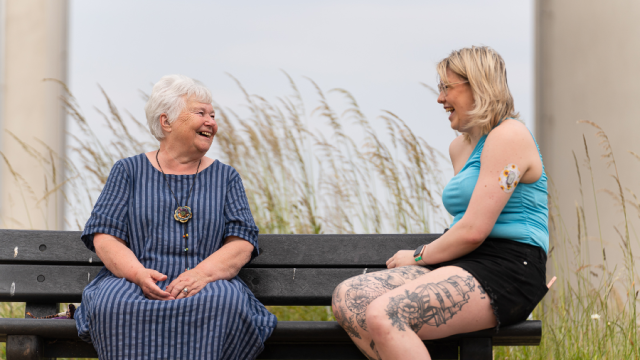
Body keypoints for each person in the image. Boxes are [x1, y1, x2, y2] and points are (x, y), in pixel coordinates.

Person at [331, 46, 550, 360]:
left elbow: (474, 230)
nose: (440, 99)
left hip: (509, 267)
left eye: (447, 88)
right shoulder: (459, 148)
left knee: (384, 314)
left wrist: (417, 256)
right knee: (348, 298)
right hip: (464, 263)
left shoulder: (509, 136)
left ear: (478, 85)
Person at [75, 74, 277, 360]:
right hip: (137, 280)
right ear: (165, 121)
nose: (211, 122)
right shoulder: (128, 171)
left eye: (212, 115)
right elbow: (105, 236)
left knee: (223, 302)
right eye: (200, 113)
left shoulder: (226, 177)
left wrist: (201, 274)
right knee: (113, 303)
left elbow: (241, 242)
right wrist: (138, 274)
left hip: (206, 283)